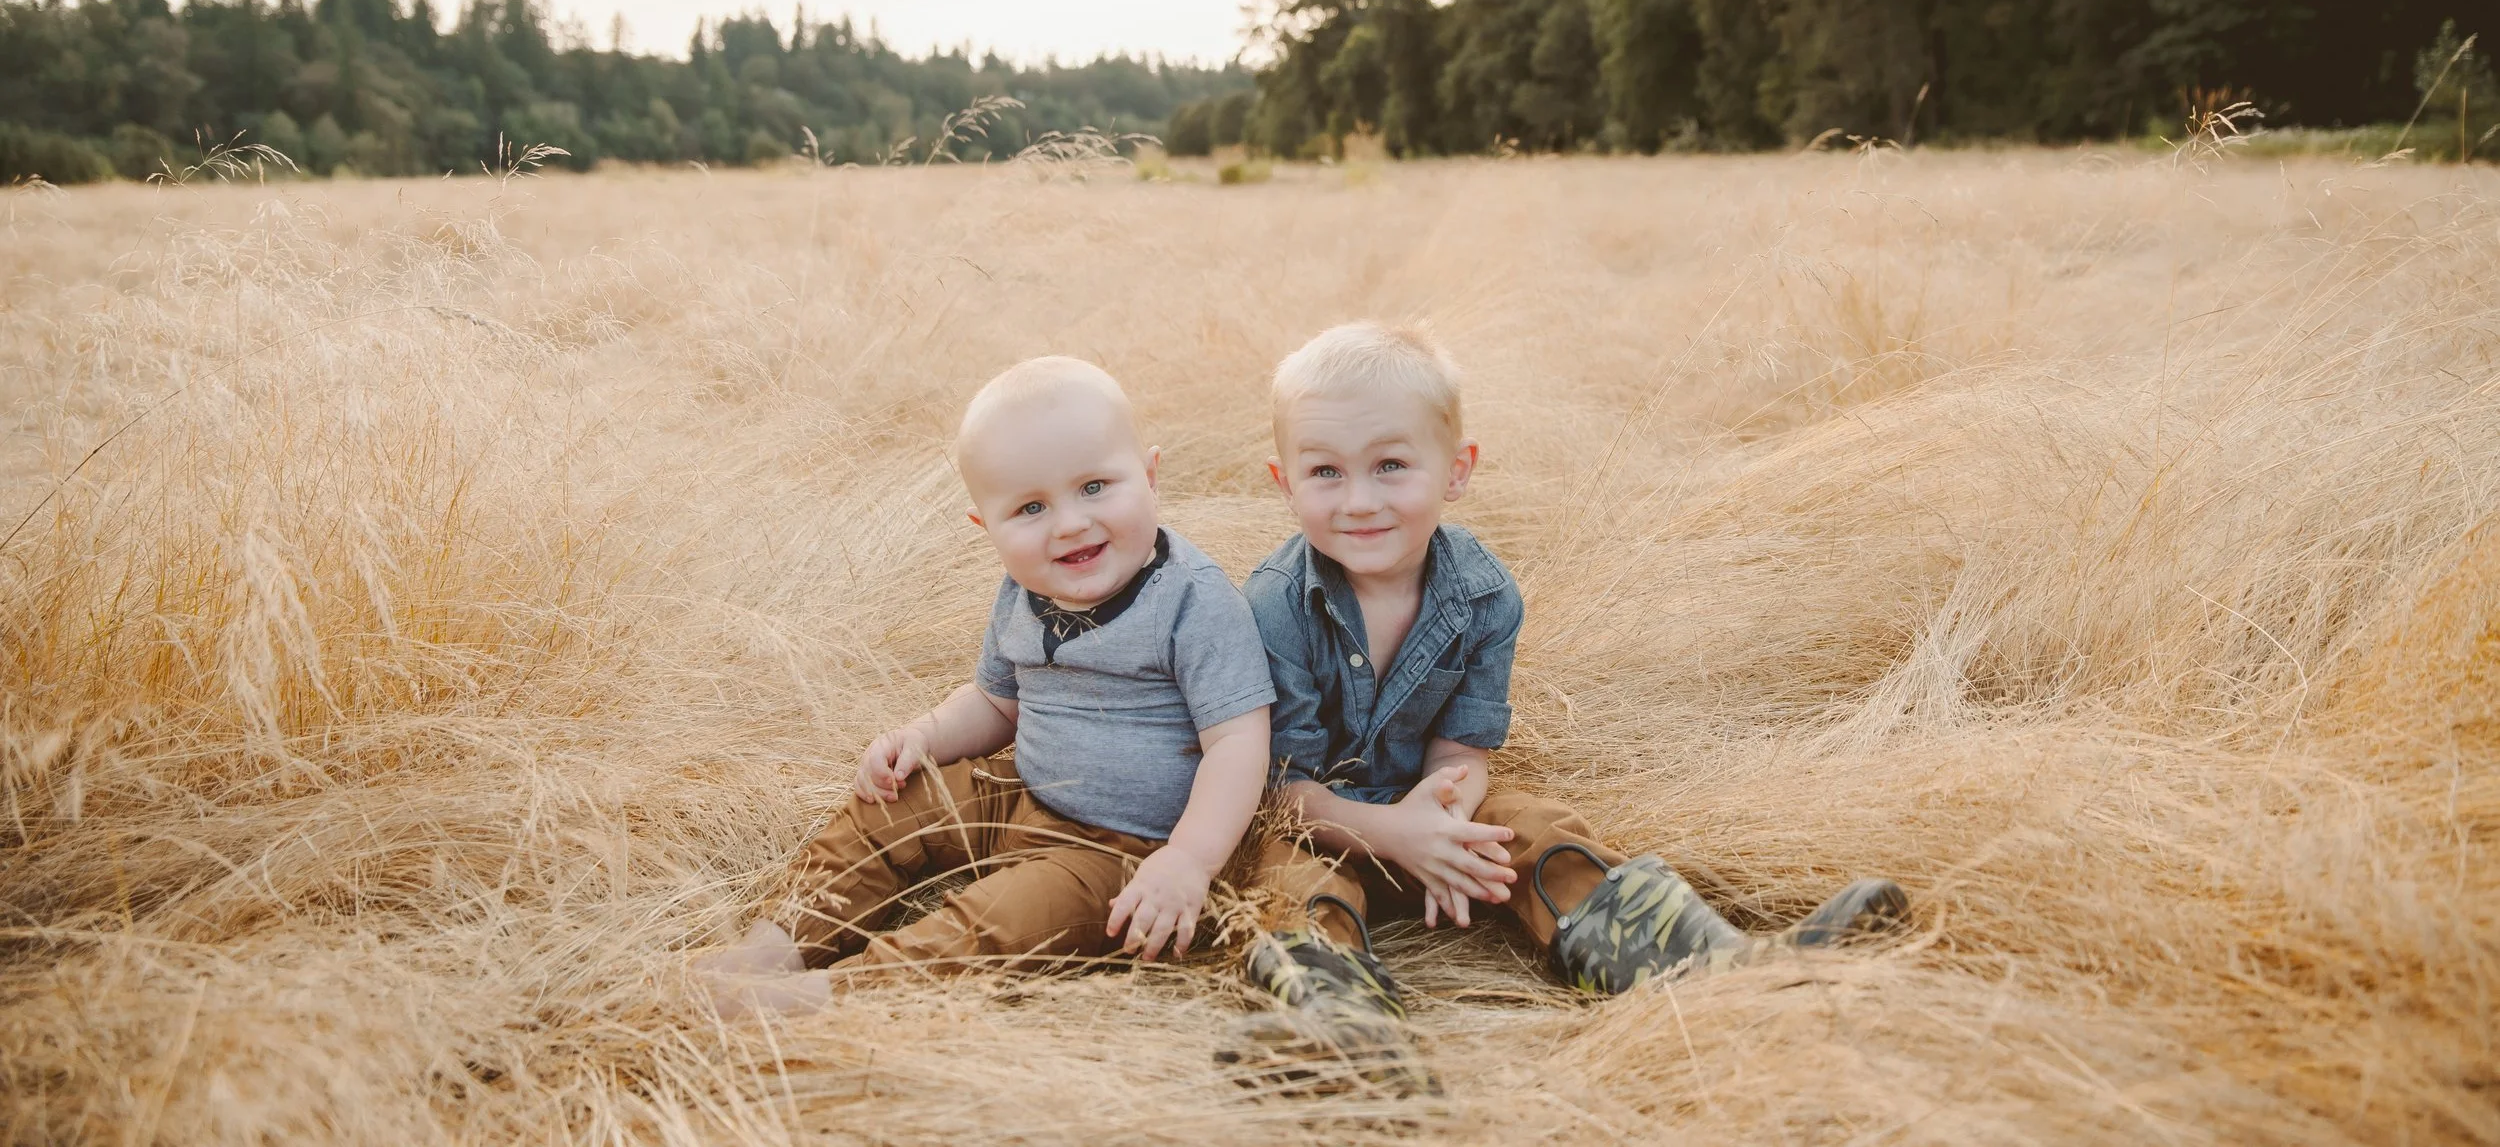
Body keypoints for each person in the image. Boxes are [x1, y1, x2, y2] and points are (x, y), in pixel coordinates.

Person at [1222, 322, 1908, 1090]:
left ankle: (1710, 965)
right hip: (1324, 828)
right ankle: (1339, 1030)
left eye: (1390, 464)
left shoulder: (1482, 592)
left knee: (1540, 828)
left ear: (1457, 469)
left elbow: (1463, 747)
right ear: (1284, 482)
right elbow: (1280, 791)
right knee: (1286, 885)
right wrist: (1396, 833)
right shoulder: (1276, 603)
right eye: (1325, 471)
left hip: (1440, 824)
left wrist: (1442, 823)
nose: (1359, 499)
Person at [700, 356, 1275, 1017]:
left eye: (1094, 486)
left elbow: (1237, 741)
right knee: (889, 808)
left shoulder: (1193, 602)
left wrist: (1189, 860)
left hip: (1121, 849)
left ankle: (824, 998)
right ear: (987, 528)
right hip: (1019, 791)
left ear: (1148, 476)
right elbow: (995, 700)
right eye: (1030, 507)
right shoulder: (1023, 590)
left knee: (1001, 919)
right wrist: (924, 734)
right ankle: (774, 944)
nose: (1068, 523)